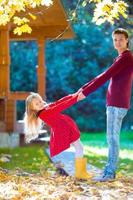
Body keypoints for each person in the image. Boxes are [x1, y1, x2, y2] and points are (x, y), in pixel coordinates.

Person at [78, 28, 133, 181]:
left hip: (117, 104)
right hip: (114, 104)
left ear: (127, 40)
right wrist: (83, 88)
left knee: (112, 138)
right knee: (111, 138)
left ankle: (110, 173)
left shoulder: (126, 57)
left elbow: (105, 76)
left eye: (121, 39)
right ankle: (109, 170)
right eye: (115, 39)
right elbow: (105, 75)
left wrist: (85, 92)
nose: (117, 42)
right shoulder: (121, 58)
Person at [24, 92, 92, 180]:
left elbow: (59, 102)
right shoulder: (44, 113)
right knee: (79, 147)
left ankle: (81, 172)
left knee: (79, 147)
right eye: (37, 104)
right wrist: (76, 98)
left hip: (67, 127)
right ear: (33, 108)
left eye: (40, 101)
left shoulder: (46, 108)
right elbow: (60, 106)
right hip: (64, 130)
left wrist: (73, 95)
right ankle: (80, 173)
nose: (41, 104)